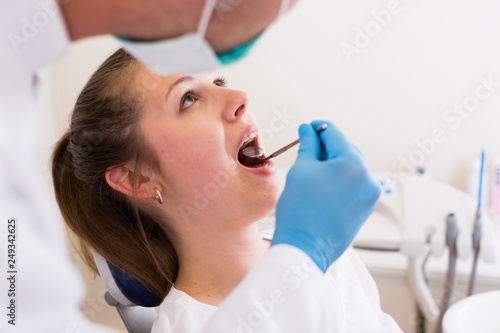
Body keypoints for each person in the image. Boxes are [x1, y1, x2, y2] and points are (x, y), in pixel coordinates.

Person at [0, 0, 381, 332]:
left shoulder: (329, 251)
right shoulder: (188, 324)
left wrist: (312, 249)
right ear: (136, 177)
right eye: (188, 99)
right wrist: (307, 250)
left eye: (219, 79)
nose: (239, 97)